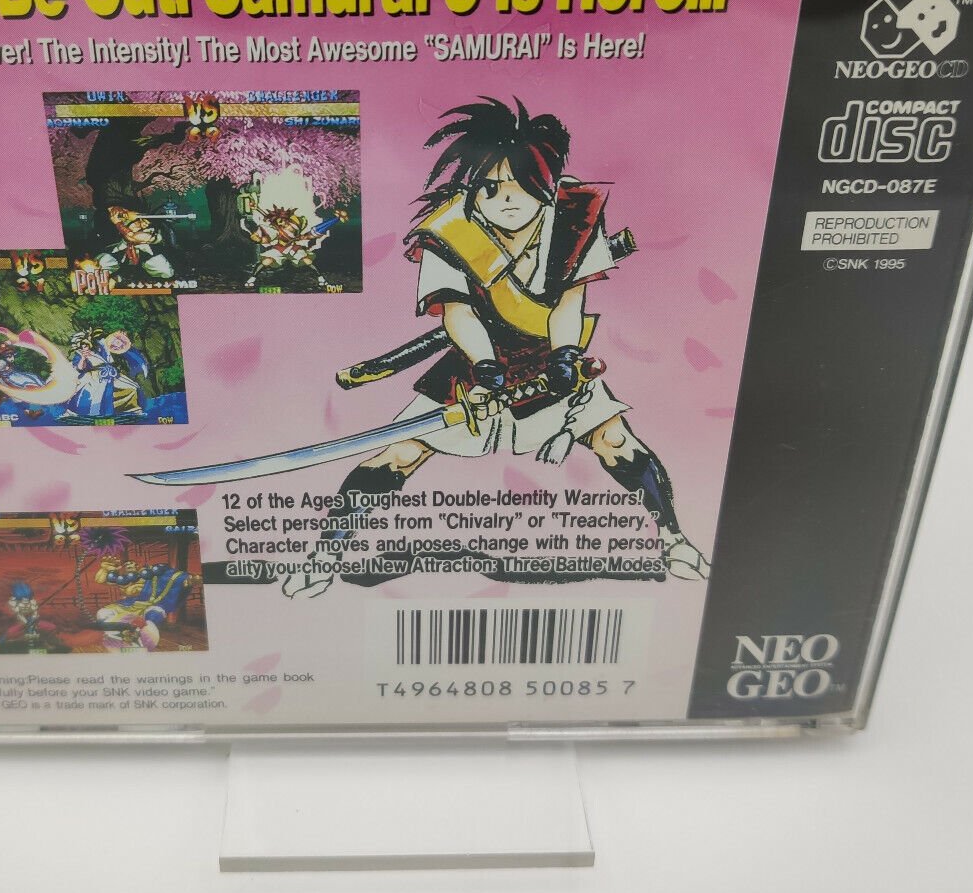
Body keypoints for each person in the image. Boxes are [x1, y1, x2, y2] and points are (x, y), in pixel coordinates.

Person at [289, 98, 708, 595]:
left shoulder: (574, 218)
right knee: (398, 454)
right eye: (490, 187)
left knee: (614, 440)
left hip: (550, 355)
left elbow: (569, 304)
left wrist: (566, 356)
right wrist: (486, 367)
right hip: (476, 361)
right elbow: (459, 314)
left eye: (520, 187)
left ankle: (673, 540)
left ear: (544, 183)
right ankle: (325, 554)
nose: (506, 200)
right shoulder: (449, 232)